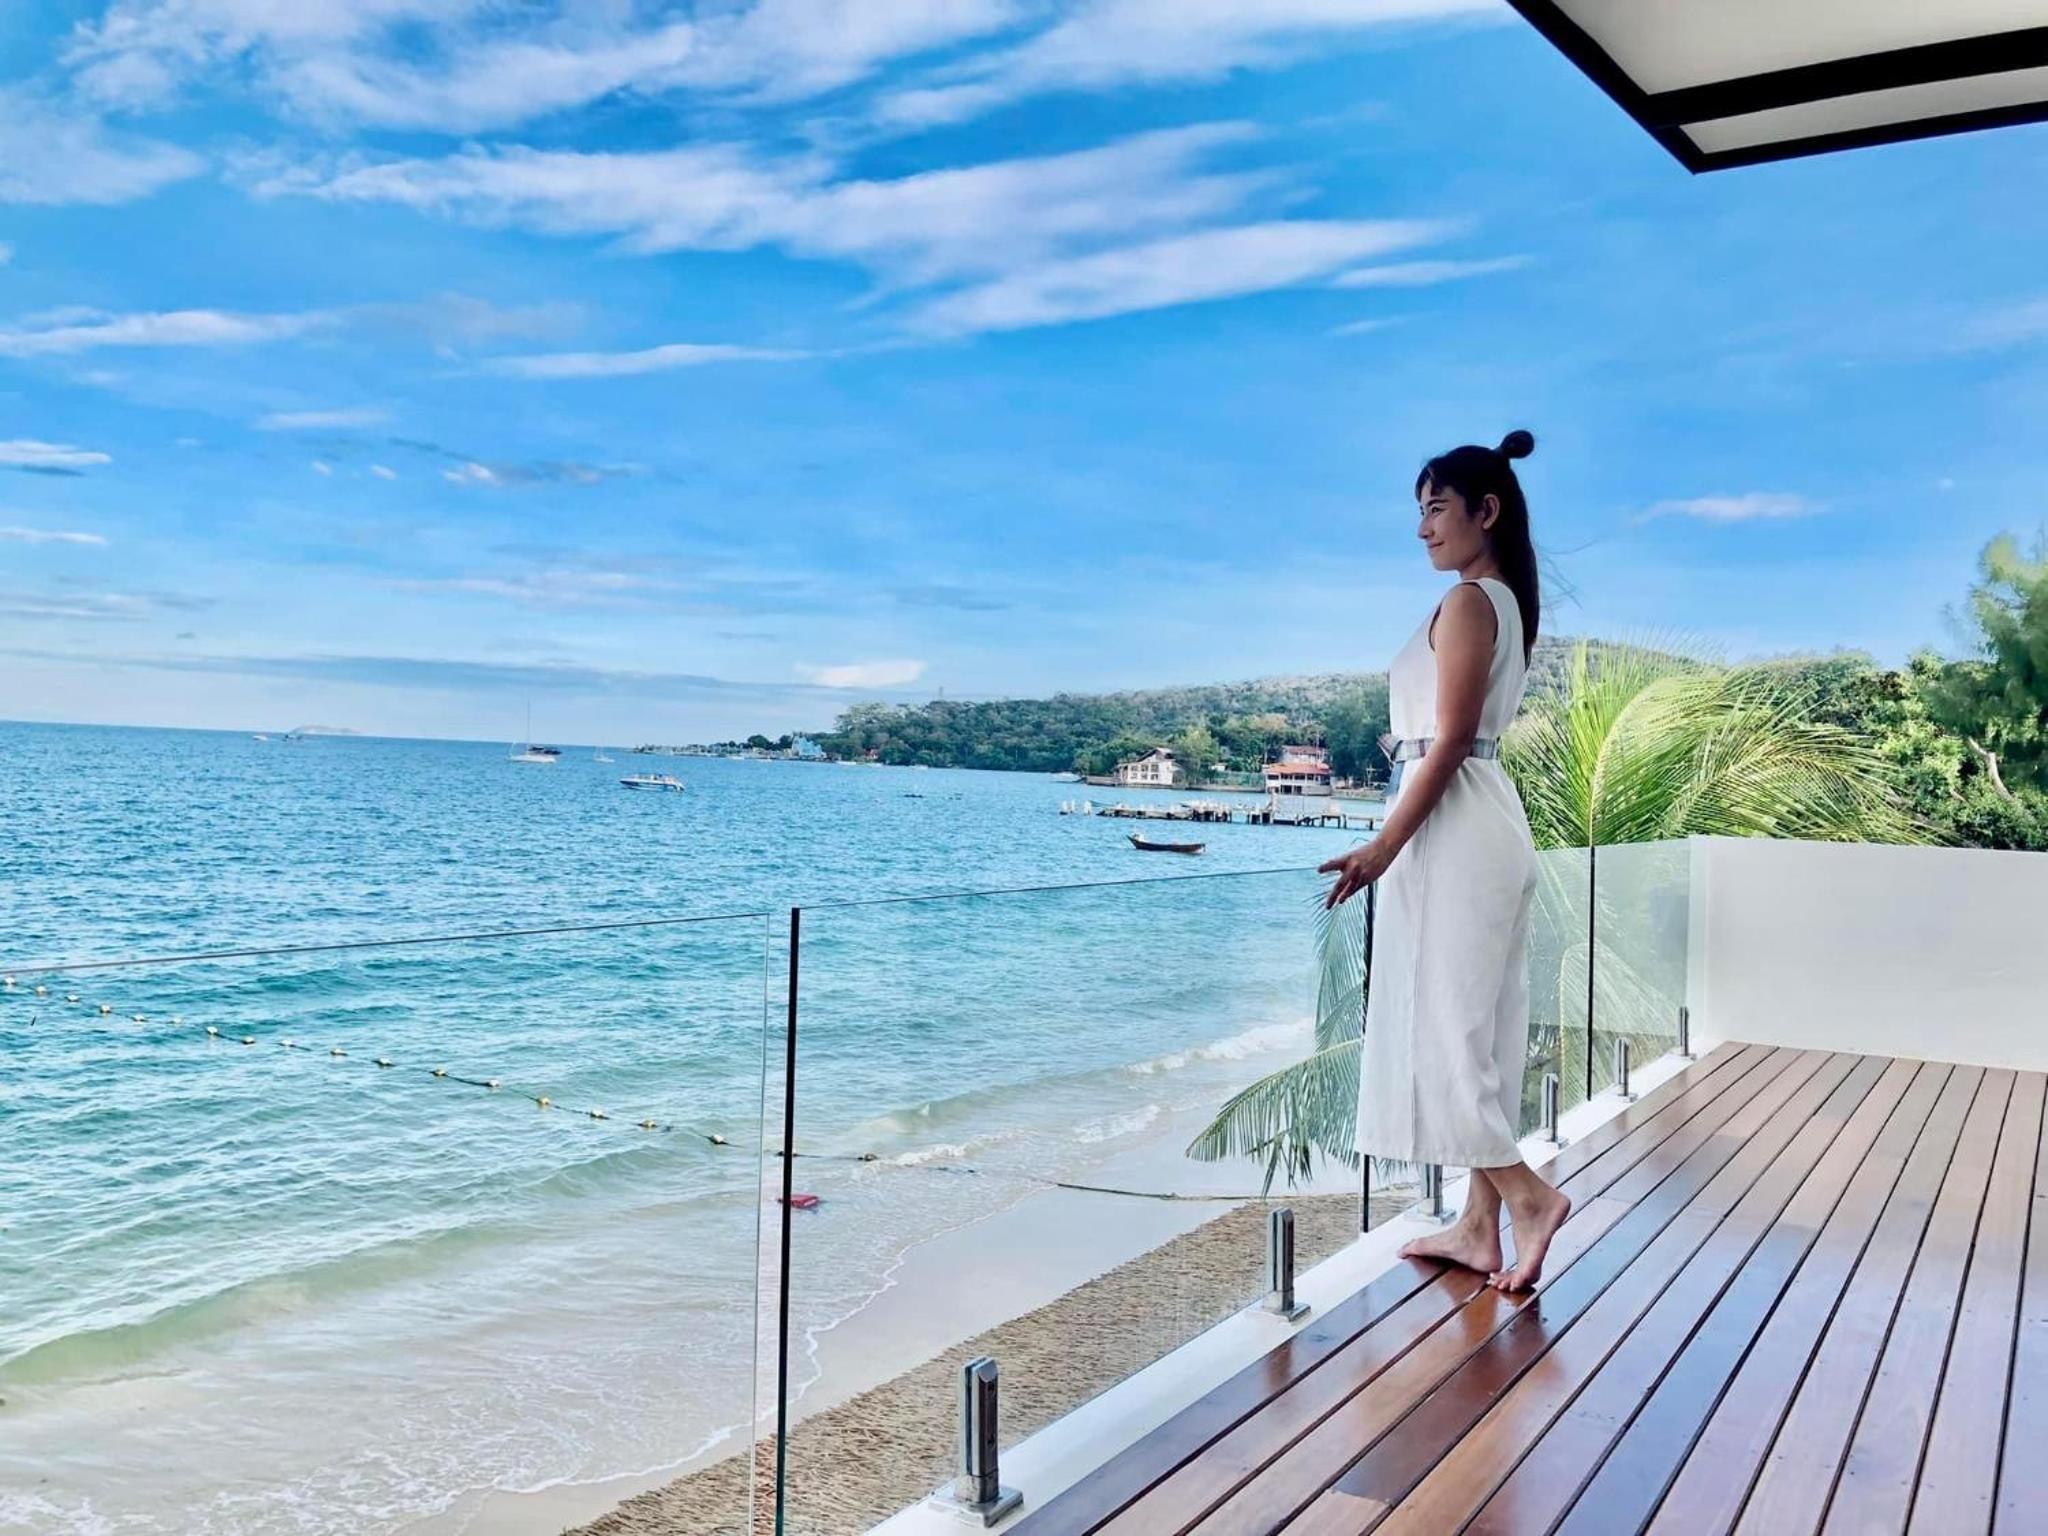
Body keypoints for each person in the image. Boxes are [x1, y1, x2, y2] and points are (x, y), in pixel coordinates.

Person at [1318, 429, 1568, 1292]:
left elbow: (1453, 738)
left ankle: (1529, 1200)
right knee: (1477, 1029)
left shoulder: (1470, 602)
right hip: (1482, 818)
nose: (1423, 528)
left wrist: (1385, 844)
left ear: (1485, 511)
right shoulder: (1501, 602)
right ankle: (1476, 1225)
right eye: (1418, 511)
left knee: (1446, 1030)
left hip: (1451, 827)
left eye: (1436, 508)